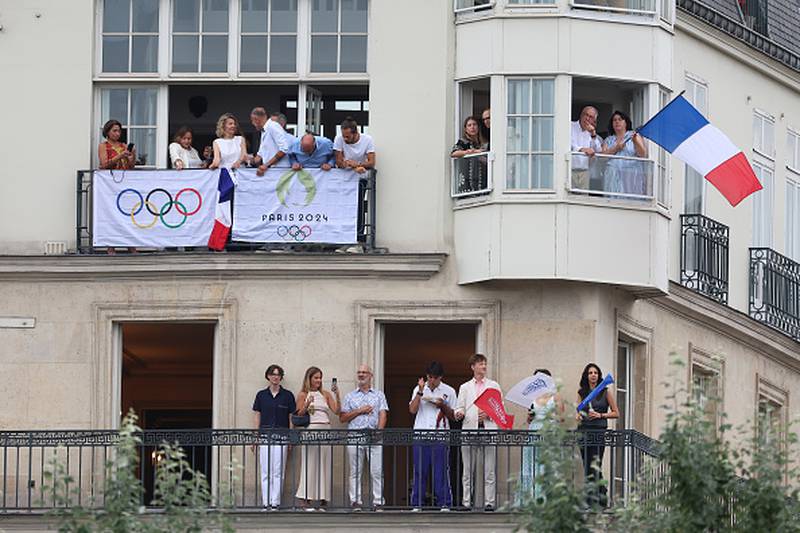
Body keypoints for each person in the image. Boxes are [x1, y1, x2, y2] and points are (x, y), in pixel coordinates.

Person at [454, 353, 504, 511]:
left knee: (489, 469)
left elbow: (500, 408)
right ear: (473, 367)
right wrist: (459, 413)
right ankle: (466, 502)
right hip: (469, 429)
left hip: (488, 429)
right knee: (467, 470)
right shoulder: (465, 387)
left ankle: (489, 503)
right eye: (480, 364)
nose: (483, 366)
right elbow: (459, 406)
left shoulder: (494, 385)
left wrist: (489, 414)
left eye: (485, 364)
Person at [339, 364, 389, 510]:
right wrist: (360, 410)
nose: (361, 375)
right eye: (359, 372)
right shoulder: (350, 396)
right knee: (355, 471)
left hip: (374, 436)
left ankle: (378, 502)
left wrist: (379, 432)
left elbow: (383, 414)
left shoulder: (379, 395)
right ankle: (355, 501)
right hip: (355, 436)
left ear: (370, 376)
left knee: (377, 471)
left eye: (364, 372)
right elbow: (343, 417)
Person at [408, 361, 456, 511]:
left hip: (440, 435)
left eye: (435, 377)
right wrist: (420, 392)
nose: (432, 380)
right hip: (421, 434)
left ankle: (444, 503)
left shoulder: (449, 391)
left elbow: (454, 416)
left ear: (440, 377)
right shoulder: (419, 388)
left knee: (441, 471)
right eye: (429, 377)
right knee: (419, 470)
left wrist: (442, 405)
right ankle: (417, 504)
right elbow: (412, 410)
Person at [295, 366, 340, 511]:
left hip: (325, 429)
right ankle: (305, 500)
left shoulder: (325, 394)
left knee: (324, 464)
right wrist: (307, 405)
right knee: (310, 463)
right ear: (309, 378)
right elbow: (298, 415)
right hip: (311, 429)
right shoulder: (303, 394)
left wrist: (337, 394)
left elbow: (337, 411)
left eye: (320, 377)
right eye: (316, 377)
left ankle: (323, 500)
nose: (319, 380)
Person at [252, 364, 296, 510]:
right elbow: (257, 415)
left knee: (278, 470)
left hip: (282, 436)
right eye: (273, 374)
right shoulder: (261, 395)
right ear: (268, 376)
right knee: (265, 471)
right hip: (265, 435)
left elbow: (291, 418)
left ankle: (275, 502)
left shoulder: (288, 395)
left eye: (278, 374)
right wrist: (255, 437)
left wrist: (290, 438)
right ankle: (266, 503)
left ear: (281, 377)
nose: (275, 377)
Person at [576, 363, 619, 507]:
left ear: (599, 375)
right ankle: (596, 496)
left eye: (595, 372)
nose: (593, 375)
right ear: (586, 376)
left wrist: (600, 415)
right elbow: (578, 412)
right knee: (587, 465)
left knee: (596, 465)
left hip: (599, 432)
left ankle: (598, 496)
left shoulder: (605, 391)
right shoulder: (582, 392)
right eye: (590, 373)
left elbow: (616, 413)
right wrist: (579, 416)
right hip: (584, 431)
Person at [518, 369, 563, 503]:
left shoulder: (556, 396)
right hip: (533, 431)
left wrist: (551, 418)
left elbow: (561, 418)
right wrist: (530, 416)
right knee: (530, 466)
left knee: (548, 466)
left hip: (548, 432)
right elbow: (529, 419)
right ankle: (530, 499)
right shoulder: (532, 398)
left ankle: (547, 500)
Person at [601, 110, 648, 196]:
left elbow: (642, 154)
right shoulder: (608, 140)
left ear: (626, 122)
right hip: (613, 177)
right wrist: (616, 148)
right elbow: (602, 157)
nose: (617, 122)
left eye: (620, 119)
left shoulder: (634, 136)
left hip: (631, 176)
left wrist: (635, 141)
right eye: (614, 120)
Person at [451, 116, 488, 193]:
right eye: (469, 125)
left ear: (478, 127)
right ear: (466, 129)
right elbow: (454, 153)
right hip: (468, 178)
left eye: (474, 124)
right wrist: (470, 152)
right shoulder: (463, 142)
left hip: (482, 178)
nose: (472, 127)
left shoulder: (485, 143)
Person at [570, 106, 603, 191]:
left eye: (591, 117)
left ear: (594, 120)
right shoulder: (570, 126)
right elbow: (568, 144)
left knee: (583, 199)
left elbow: (599, 150)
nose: (587, 118)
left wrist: (593, 133)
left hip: (585, 172)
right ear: (581, 115)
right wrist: (581, 149)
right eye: (586, 115)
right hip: (569, 170)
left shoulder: (591, 132)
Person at [251, 107, 291, 177]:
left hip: (280, 171)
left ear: (257, 119)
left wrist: (266, 165)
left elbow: (284, 149)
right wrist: (249, 160)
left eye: (252, 120)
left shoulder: (273, 126)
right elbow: (259, 155)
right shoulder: (264, 130)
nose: (252, 123)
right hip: (272, 172)